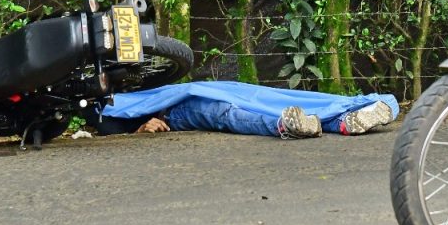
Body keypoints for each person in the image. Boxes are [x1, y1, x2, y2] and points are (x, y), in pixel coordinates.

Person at [91, 80, 399, 138]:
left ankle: (343, 121)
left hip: (187, 93)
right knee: (225, 113)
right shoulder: (86, 103)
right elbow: (112, 126)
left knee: (264, 96)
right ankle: (285, 126)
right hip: (174, 113)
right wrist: (141, 128)